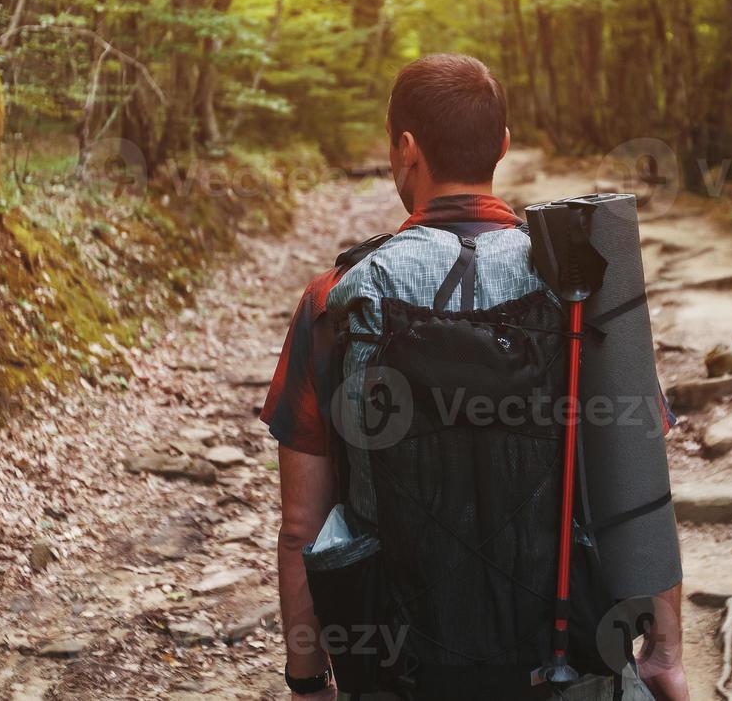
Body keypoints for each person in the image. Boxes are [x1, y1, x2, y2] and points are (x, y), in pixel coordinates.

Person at [261, 54, 691, 701]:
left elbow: (301, 525)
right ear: (504, 147)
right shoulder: (581, 288)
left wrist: (308, 679)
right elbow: (638, 484)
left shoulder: (335, 300)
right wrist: (665, 653)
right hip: (572, 666)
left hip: (397, 676)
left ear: (406, 150)